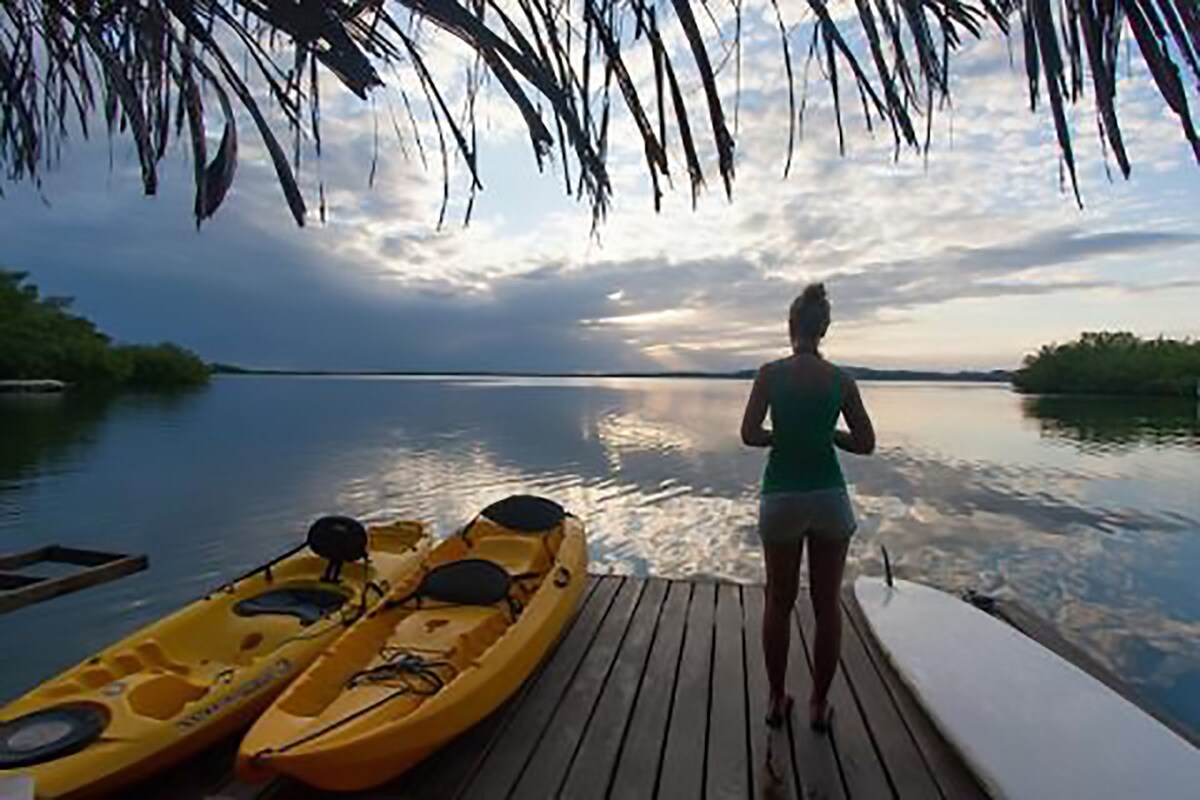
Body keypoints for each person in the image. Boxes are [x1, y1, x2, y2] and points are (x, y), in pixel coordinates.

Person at [740, 283, 875, 732]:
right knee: (826, 604)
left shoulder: (769, 374)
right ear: (825, 330)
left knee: (778, 603)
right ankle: (819, 704)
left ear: (791, 326)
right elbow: (865, 443)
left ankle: (777, 700)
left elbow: (750, 435)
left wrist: (787, 436)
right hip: (829, 499)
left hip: (781, 497)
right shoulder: (841, 380)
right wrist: (826, 435)